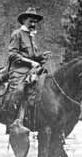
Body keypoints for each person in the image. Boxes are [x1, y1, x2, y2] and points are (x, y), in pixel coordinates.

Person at [6, 7, 50, 135]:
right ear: (24, 20)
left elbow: (32, 56)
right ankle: (14, 121)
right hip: (18, 69)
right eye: (31, 21)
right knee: (19, 90)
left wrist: (41, 57)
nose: (33, 24)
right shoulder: (17, 34)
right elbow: (12, 54)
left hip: (32, 69)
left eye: (35, 22)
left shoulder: (31, 37)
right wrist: (31, 62)